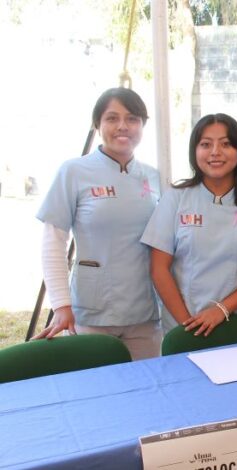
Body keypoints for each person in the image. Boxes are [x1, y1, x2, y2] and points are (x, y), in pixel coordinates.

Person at [34, 88, 161, 360]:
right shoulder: (74, 172)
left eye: (133, 118)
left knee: (146, 389)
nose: (123, 126)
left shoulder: (154, 177)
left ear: (143, 125)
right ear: (97, 124)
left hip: (145, 311)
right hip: (91, 311)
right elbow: (53, 243)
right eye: (112, 118)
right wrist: (61, 305)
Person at [141, 114, 237, 336]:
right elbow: (159, 269)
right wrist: (187, 326)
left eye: (226, 144)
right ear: (194, 151)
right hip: (184, 322)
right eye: (206, 144)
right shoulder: (176, 198)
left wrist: (221, 310)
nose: (215, 152)